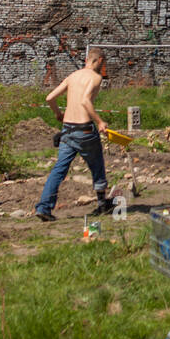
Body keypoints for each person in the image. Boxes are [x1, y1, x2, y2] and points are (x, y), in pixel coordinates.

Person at [35, 47, 115, 221]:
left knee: (59, 170)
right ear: (99, 60)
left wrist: (57, 114)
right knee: (97, 164)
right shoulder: (95, 78)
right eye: (103, 63)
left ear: (87, 59)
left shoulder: (73, 76)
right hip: (85, 129)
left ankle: (44, 208)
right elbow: (85, 100)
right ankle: (102, 203)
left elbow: (49, 98)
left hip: (67, 130)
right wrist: (100, 122)